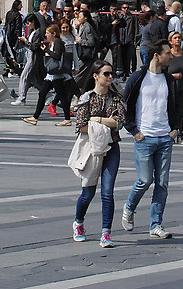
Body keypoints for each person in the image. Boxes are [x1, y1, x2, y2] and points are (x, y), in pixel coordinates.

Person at [119, 48, 182, 241]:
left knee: (162, 183)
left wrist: (175, 129)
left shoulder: (169, 80)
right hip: (144, 137)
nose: (170, 57)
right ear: (157, 55)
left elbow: (177, 105)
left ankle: (156, 224)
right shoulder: (139, 77)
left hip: (164, 137)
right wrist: (133, 130)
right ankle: (129, 207)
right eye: (167, 53)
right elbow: (125, 103)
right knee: (145, 180)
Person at [70, 60, 127, 246]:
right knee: (88, 193)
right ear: (95, 76)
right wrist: (105, 123)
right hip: (91, 149)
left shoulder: (116, 98)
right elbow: (81, 126)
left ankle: (106, 232)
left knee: (108, 192)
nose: (110, 77)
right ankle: (78, 222)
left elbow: (119, 122)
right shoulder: (86, 98)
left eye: (111, 74)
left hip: (112, 147)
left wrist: (97, 119)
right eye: (106, 74)